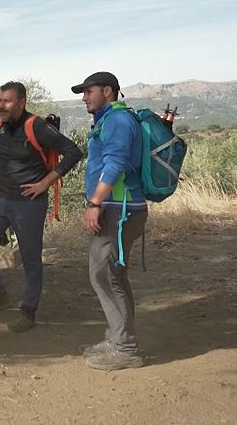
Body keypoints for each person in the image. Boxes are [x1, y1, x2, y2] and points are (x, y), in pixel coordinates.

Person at [0, 81, 83, 333]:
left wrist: (45, 183)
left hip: (29, 203)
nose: (2, 105)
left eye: (7, 101)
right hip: (1, 199)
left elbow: (73, 151)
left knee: (30, 257)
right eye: (0, 100)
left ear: (21, 102)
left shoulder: (38, 127)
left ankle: (28, 310)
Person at [72, 71, 147, 370]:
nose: (84, 97)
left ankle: (126, 349)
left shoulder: (116, 120)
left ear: (108, 91)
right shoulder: (111, 119)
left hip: (119, 208)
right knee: (113, 275)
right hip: (120, 207)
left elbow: (115, 162)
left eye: (88, 91)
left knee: (104, 275)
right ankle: (118, 338)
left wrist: (94, 203)